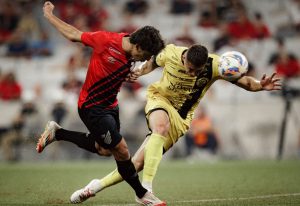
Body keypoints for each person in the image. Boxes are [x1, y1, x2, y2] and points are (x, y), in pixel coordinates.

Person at [68, 43, 282, 203]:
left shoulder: (215, 65)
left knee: (137, 164)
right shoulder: (169, 53)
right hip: (159, 99)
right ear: (185, 57)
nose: (191, 74)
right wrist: (140, 71)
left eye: (196, 72)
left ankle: (94, 187)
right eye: (189, 68)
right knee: (160, 126)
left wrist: (259, 85)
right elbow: (152, 62)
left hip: (181, 118)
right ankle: (146, 190)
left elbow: (244, 82)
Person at [36, 2, 166, 206]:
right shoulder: (106, 40)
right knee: (122, 150)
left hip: (111, 106)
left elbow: (130, 66)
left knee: (105, 150)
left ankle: (58, 133)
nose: (145, 59)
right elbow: (73, 34)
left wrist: (132, 72)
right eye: (145, 55)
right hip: (92, 107)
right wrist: (49, 15)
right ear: (137, 46)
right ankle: (142, 194)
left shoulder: (132, 48)